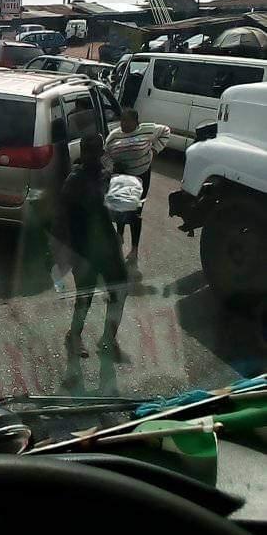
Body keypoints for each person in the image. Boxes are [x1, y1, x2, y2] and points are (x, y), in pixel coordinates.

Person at [51, 134, 128, 358]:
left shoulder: (104, 175)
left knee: (119, 291)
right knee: (85, 296)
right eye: (91, 152)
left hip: (108, 245)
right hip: (83, 248)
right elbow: (60, 219)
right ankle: (74, 336)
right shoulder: (74, 180)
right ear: (84, 153)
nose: (95, 156)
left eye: (98, 151)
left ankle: (108, 339)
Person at [104, 108, 170, 265]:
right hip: (123, 176)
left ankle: (134, 249)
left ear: (136, 122)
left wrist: (155, 149)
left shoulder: (148, 129)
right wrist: (112, 167)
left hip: (142, 175)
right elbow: (105, 154)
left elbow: (166, 132)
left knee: (135, 212)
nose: (124, 124)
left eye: (128, 121)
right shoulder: (114, 136)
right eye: (122, 121)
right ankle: (119, 235)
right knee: (121, 206)